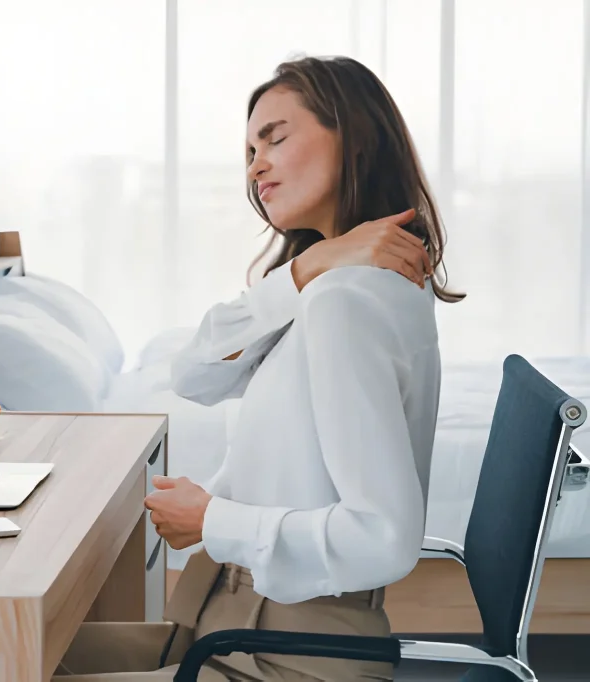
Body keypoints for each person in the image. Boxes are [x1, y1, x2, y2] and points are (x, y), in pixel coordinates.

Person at [51, 56, 464, 681]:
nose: (256, 165)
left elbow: (384, 538)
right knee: (4, 653)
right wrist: (309, 265)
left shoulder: (346, 302)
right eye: (250, 150)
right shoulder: (325, 287)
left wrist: (211, 519)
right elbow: (194, 374)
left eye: (275, 137)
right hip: (230, 624)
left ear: (354, 137)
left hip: (291, 655)